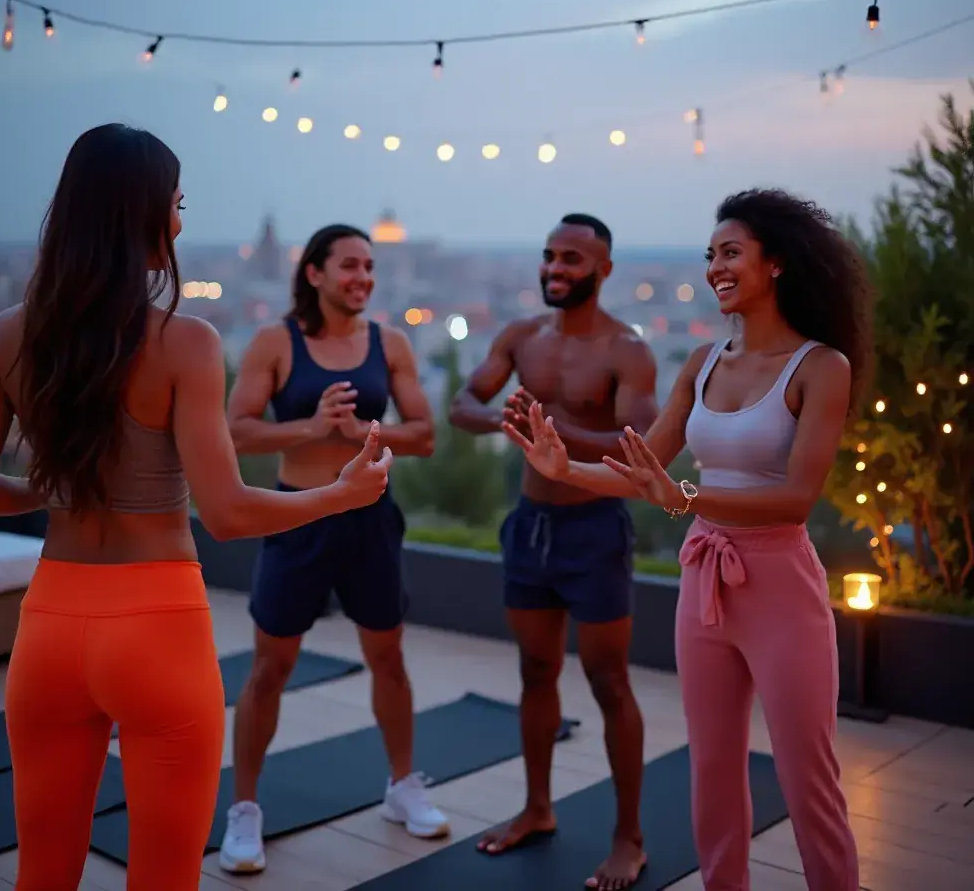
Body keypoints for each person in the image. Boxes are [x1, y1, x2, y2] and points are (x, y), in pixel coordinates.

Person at [0, 125, 393, 891]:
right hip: (158, 629)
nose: (181, 221)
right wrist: (340, 494)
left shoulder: (6, 336)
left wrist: (55, 494)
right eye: (177, 203)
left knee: (42, 872)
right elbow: (225, 514)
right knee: (163, 876)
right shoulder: (185, 342)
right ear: (145, 211)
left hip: (50, 626)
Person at [504, 189, 867, 891]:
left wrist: (688, 497)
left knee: (806, 778)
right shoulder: (702, 361)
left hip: (780, 584)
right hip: (703, 578)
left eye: (731, 253)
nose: (716, 267)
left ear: (779, 264)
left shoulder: (822, 367)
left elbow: (796, 497)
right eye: (711, 256)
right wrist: (563, 466)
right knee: (712, 769)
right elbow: (646, 467)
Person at [220, 223, 449, 873]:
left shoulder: (391, 342)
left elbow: (425, 435)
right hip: (297, 516)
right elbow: (236, 432)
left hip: (370, 521)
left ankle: (403, 787)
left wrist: (361, 431)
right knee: (270, 669)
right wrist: (313, 428)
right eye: (350, 265)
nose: (363, 278)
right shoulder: (276, 342)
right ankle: (244, 811)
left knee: (389, 658)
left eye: (370, 268)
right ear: (315, 273)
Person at [449, 213, 658, 890]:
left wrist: (558, 434)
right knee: (535, 671)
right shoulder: (520, 337)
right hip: (531, 526)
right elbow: (462, 402)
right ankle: (538, 809)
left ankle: (629, 837)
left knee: (608, 682)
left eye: (571, 259)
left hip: (595, 528)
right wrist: (505, 421)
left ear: (603, 270)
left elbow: (643, 447)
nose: (555, 269)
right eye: (549, 256)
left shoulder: (627, 350)